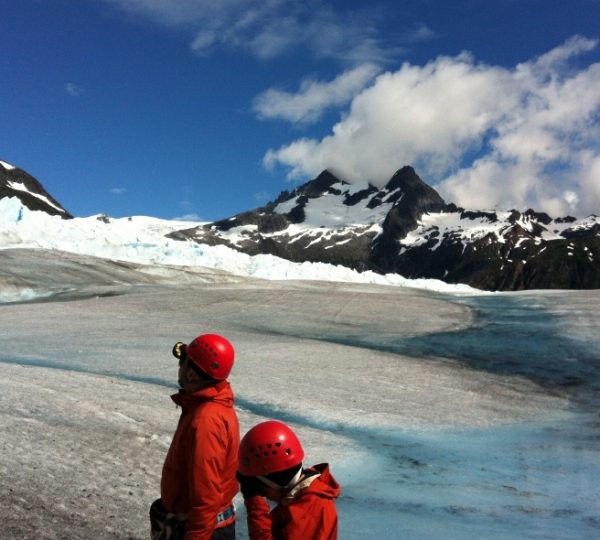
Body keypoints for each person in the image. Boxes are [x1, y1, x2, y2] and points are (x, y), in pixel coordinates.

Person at [150, 334, 240, 540]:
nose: (179, 366)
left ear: (191, 375)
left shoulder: (206, 421)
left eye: (183, 361)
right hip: (202, 526)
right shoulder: (207, 407)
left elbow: (206, 496)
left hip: (202, 531)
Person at [237, 420, 340, 540]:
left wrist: (254, 501)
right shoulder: (305, 495)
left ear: (278, 482)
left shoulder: (304, 513)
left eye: (262, 490)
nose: (265, 496)